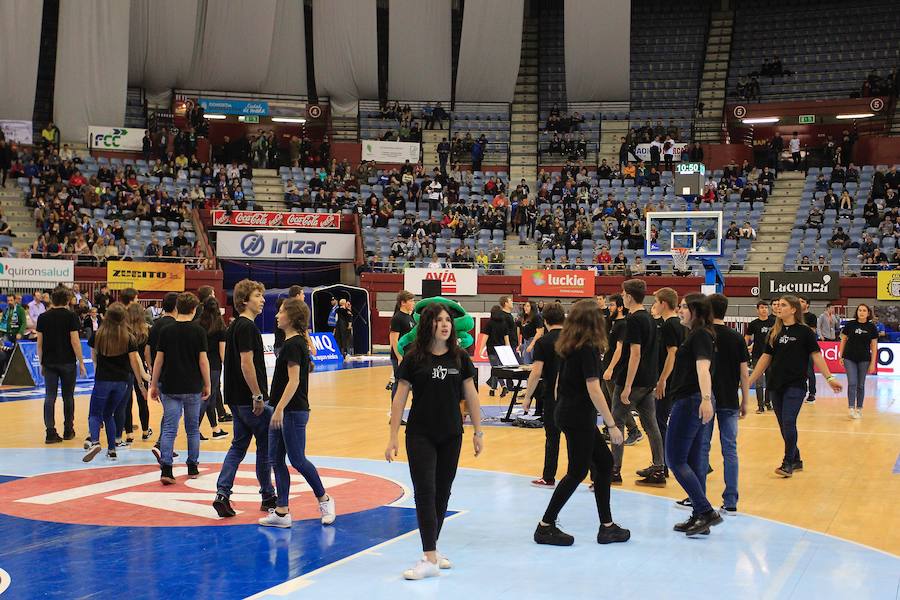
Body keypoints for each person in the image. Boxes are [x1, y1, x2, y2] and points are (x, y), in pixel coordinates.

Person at [386, 301, 483, 580]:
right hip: (420, 434)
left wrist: (478, 431)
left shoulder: (460, 357)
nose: (445, 324)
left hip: (452, 434)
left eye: (448, 321)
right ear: (428, 324)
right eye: (439, 320)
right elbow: (399, 399)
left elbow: (472, 396)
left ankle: (432, 550)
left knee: (443, 493)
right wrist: (392, 436)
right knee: (425, 492)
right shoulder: (414, 358)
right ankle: (429, 557)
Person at [533, 299, 629, 547]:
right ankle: (545, 526)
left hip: (568, 412)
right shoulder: (587, 347)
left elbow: (557, 382)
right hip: (577, 415)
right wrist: (611, 424)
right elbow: (594, 388)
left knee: (604, 462)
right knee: (577, 471)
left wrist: (560, 407)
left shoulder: (569, 344)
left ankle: (607, 526)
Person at [260, 297, 336, 528]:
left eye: (281, 312)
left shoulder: (294, 345)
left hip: (292, 411)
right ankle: (282, 512)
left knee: (297, 459)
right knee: (276, 459)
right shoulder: (292, 342)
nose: (276, 315)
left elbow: (293, 382)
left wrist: (279, 409)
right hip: (283, 409)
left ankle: (325, 499)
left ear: (292, 317)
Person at [749, 296, 842, 477]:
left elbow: (816, 356)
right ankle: (797, 458)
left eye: (783, 305)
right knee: (784, 425)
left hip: (796, 384)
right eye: (778, 305)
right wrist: (749, 381)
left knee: (789, 421)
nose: (778, 307)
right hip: (775, 384)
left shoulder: (805, 332)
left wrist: (829, 378)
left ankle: (788, 462)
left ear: (793, 310)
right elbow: (765, 359)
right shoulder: (774, 332)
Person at [214, 280, 275, 517]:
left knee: (238, 445)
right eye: (258, 296)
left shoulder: (234, 327)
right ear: (244, 301)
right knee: (265, 447)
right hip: (250, 399)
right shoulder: (247, 327)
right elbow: (246, 363)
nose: (263, 300)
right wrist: (258, 395)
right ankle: (268, 495)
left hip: (235, 398)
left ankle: (222, 493)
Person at [665, 293, 720, 536]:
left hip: (691, 402)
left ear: (696, 311)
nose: (680, 310)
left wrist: (706, 399)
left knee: (675, 460)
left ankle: (706, 512)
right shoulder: (699, 334)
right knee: (695, 461)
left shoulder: (699, 335)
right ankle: (700, 517)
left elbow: (703, 368)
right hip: (695, 400)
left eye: (684, 307)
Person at [149, 292, 210, 484]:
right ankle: (192, 466)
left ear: (177, 307)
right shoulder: (199, 331)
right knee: (192, 429)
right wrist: (207, 383)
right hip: (192, 386)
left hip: (170, 385)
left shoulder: (167, 330)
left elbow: (159, 360)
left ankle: (166, 469)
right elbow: (203, 361)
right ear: (193, 309)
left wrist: (153, 383)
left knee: (169, 428)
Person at [612, 280, 666, 487]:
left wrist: (627, 385)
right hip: (648, 380)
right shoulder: (651, 319)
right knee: (651, 425)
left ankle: (614, 470)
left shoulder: (633, 320)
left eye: (623, 293)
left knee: (616, 423)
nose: (622, 296)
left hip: (633, 381)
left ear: (629, 296)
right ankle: (658, 469)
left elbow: (635, 354)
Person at [83, 303, 146, 462]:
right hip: (122, 382)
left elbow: (94, 357)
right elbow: (134, 362)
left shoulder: (98, 335)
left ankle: (95, 442)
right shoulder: (129, 337)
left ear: (107, 316)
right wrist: (140, 383)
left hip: (103, 379)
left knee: (95, 413)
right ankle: (112, 450)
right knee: (109, 414)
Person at [708, 294, 750, 515]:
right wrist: (746, 399)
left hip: (705, 400)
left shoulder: (703, 335)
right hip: (730, 400)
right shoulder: (737, 337)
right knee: (730, 450)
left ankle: (699, 499)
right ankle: (731, 500)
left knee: (702, 448)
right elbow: (744, 373)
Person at [521, 302, 565, 487]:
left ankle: (548, 477)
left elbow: (537, 372)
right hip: (572, 394)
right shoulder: (575, 339)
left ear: (545, 321)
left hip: (552, 397)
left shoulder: (544, 342)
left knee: (552, 437)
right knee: (578, 439)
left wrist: (527, 396)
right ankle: (594, 477)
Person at [36, 287, 87, 444]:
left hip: (49, 362)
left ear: (52, 300)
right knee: (68, 397)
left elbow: (40, 343)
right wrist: (81, 362)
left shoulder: (43, 317)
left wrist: (41, 363)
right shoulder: (71, 316)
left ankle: (50, 432)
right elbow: (75, 341)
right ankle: (68, 430)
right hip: (67, 362)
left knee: (49, 396)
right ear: (66, 300)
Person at [652, 287, 686, 483]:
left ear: (664, 303)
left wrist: (662, 379)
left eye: (656, 301)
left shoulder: (669, 325)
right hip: (678, 380)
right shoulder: (680, 323)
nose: (654, 305)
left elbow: (672, 353)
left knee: (660, 422)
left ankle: (663, 465)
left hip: (670, 381)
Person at [600, 294, 641, 449]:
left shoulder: (623, 324)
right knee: (606, 400)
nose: (609, 307)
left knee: (617, 403)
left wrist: (610, 368)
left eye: (611, 305)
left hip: (614, 369)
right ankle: (608, 430)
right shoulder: (612, 323)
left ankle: (634, 430)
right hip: (606, 365)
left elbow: (619, 349)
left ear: (619, 307)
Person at [148, 292, 178, 460]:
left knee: (170, 412)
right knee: (172, 413)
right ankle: (161, 445)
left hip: (158, 374)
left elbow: (147, 350)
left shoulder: (155, 324)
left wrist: (153, 370)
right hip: (171, 376)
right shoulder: (174, 326)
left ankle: (165, 445)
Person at [197, 296, 229, 439]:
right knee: (208, 397)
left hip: (200, 363)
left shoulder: (198, 324)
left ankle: (215, 429)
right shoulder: (220, 327)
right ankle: (194, 428)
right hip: (214, 365)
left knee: (210, 396)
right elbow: (222, 352)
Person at [839, 304, 878, 419]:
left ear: (868, 313)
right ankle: (851, 407)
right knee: (852, 383)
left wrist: (872, 363)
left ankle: (859, 408)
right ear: (857, 312)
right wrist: (841, 356)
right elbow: (843, 340)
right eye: (859, 310)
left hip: (864, 359)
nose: (861, 312)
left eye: (864, 310)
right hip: (849, 358)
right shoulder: (850, 325)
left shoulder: (871, 327)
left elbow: (874, 346)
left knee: (860, 385)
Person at [122, 303, 152, 442]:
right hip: (141, 368)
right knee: (143, 400)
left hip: (126, 367)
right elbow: (146, 353)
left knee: (127, 402)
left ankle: (129, 433)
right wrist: (150, 367)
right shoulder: (146, 330)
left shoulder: (124, 330)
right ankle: (145, 431)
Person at [745, 301, 775, 413]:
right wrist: (745, 348)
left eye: (766, 308)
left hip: (771, 356)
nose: (764, 310)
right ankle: (760, 406)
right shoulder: (754, 324)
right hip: (758, 355)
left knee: (770, 380)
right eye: (762, 308)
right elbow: (747, 337)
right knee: (759, 382)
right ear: (757, 310)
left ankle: (768, 403)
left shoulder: (774, 322)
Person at [389, 291, 416, 398]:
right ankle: (394, 409)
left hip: (410, 356)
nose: (413, 303)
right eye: (411, 301)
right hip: (400, 357)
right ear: (403, 303)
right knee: (399, 383)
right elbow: (394, 340)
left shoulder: (410, 318)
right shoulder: (397, 318)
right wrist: (399, 357)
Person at [479, 305, 510, 396]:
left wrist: (481, 349)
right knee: (497, 368)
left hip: (492, 349)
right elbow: (506, 339)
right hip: (502, 349)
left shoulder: (489, 323)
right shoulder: (504, 323)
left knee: (495, 369)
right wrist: (508, 350)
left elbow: (485, 337)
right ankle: (492, 389)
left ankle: (504, 387)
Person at [799, 296, 818, 403]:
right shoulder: (794, 316)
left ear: (807, 304)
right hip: (797, 347)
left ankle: (812, 393)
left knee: (809, 371)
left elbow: (813, 331)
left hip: (809, 347)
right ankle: (801, 391)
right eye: (798, 301)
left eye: (802, 301)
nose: (799, 303)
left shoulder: (812, 316)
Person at [518, 300, 545, 365]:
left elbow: (539, 332)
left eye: (528, 306)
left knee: (534, 362)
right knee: (526, 363)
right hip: (526, 341)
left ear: (532, 307)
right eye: (525, 306)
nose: (525, 308)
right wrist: (520, 344)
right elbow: (521, 331)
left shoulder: (536, 317)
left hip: (534, 341)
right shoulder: (524, 317)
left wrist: (531, 345)